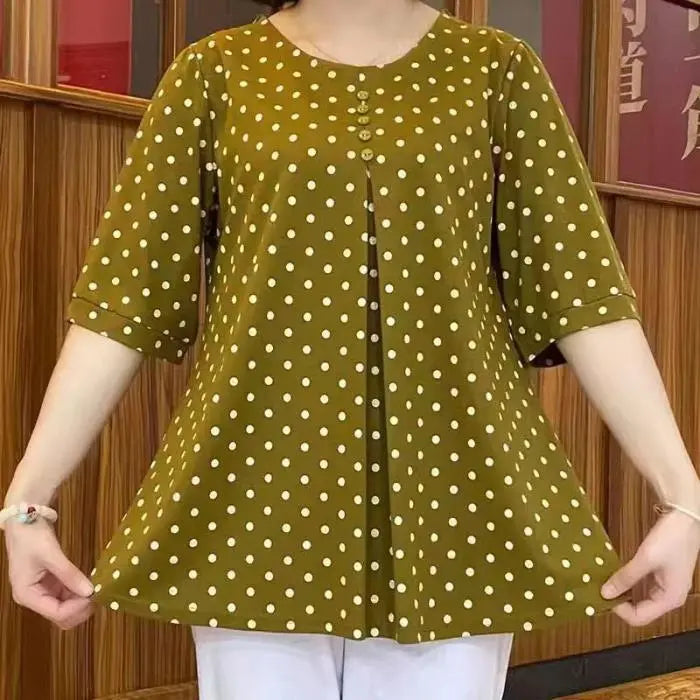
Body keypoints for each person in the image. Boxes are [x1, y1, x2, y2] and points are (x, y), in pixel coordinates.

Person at [3, 0, 699, 698]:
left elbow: (584, 295)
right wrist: (27, 501)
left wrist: (683, 498)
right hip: (257, 489)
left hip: (455, 489)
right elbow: (124, 299)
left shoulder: (499, 73)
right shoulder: (214, 74)